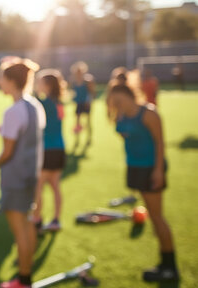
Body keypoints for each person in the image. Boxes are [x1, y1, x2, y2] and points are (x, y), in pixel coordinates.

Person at [106, 77, 179, 282]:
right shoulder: (122, 116)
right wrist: (118, 114)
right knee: (154, 217)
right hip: (135, 168)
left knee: (157, 217)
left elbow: (160, 143)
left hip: (151, 168)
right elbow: (124, 135)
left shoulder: (149, 113)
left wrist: (158, 170)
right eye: (114, 103)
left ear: (129, 95)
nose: (116, 105)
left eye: (118, 101)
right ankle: (164, 263)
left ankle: (170, 267)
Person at [0, 57, 45, 288]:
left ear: (11, 81)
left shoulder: (12, 111)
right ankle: (26, 277)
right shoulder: (34, 105)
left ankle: (23, 281)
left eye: (1, 77)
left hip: (15, 177)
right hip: (31, 174)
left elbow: (8, 152)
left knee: (20, 230)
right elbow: (27, 135)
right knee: (28, 224)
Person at [32, 69, 67, 233]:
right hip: (59, 148)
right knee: (55, 186)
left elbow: (31, 101)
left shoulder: (44, 103)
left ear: (47, 85)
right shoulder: (59, 102)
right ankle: (56, 220)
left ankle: (37, 221)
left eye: (40, 82)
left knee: (39, 188)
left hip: (47, 150)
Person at [70, 61, 95, 137]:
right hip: (78, 103)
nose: (78, 73)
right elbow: (74, 93)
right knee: (77, 122)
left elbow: (92, 93)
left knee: (88, 121)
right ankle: (77, 138)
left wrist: (88, 101)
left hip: (86, 103)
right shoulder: (74, 82)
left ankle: (89, 137)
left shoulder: (87, 81)